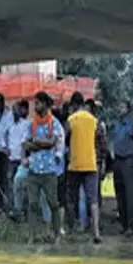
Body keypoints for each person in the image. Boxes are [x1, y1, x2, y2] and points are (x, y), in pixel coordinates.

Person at [22, 92, 61, 243]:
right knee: (32, 204)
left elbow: (53, 142)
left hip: (49, 171)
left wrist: (36, 142)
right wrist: (42, 143)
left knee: (53, 204)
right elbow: (25, 144)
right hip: (33, 170)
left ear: (45, 104)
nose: (35, 106)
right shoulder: (31, 124)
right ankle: (32, 236)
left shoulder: (54, 123)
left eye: (37, 103)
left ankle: (57, 235)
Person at [66, 95, 101, 242]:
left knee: (71, 199)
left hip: (75, 165)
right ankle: (96, 233)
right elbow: (98, 139)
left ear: (74, 104)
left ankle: (71, 229)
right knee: (92, 200)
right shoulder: (94, 120)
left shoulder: (71, 120)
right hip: (91, 165)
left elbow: (66, 138)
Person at [110, 100, 133, 236]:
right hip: (117, 161)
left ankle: (131, 225)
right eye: (119, 106)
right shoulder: (116, 124)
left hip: (128, 160)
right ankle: (123, 224)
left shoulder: (132, 125)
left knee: (129, 194)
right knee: (119, 193)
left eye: (122, 107)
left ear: (128, 109)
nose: (119, 109)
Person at [8, 99, 32, 218]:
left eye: (17, 109)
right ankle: (16, 211)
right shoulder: (11, 125)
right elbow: (8, 139)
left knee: (24, 186)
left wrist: (25, 158)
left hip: (22, 160)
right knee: (13, 186)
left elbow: (26, 142)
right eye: (14, 110)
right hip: (11, 159)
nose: (15, 112)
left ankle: (25, 212)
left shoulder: (27, 124)